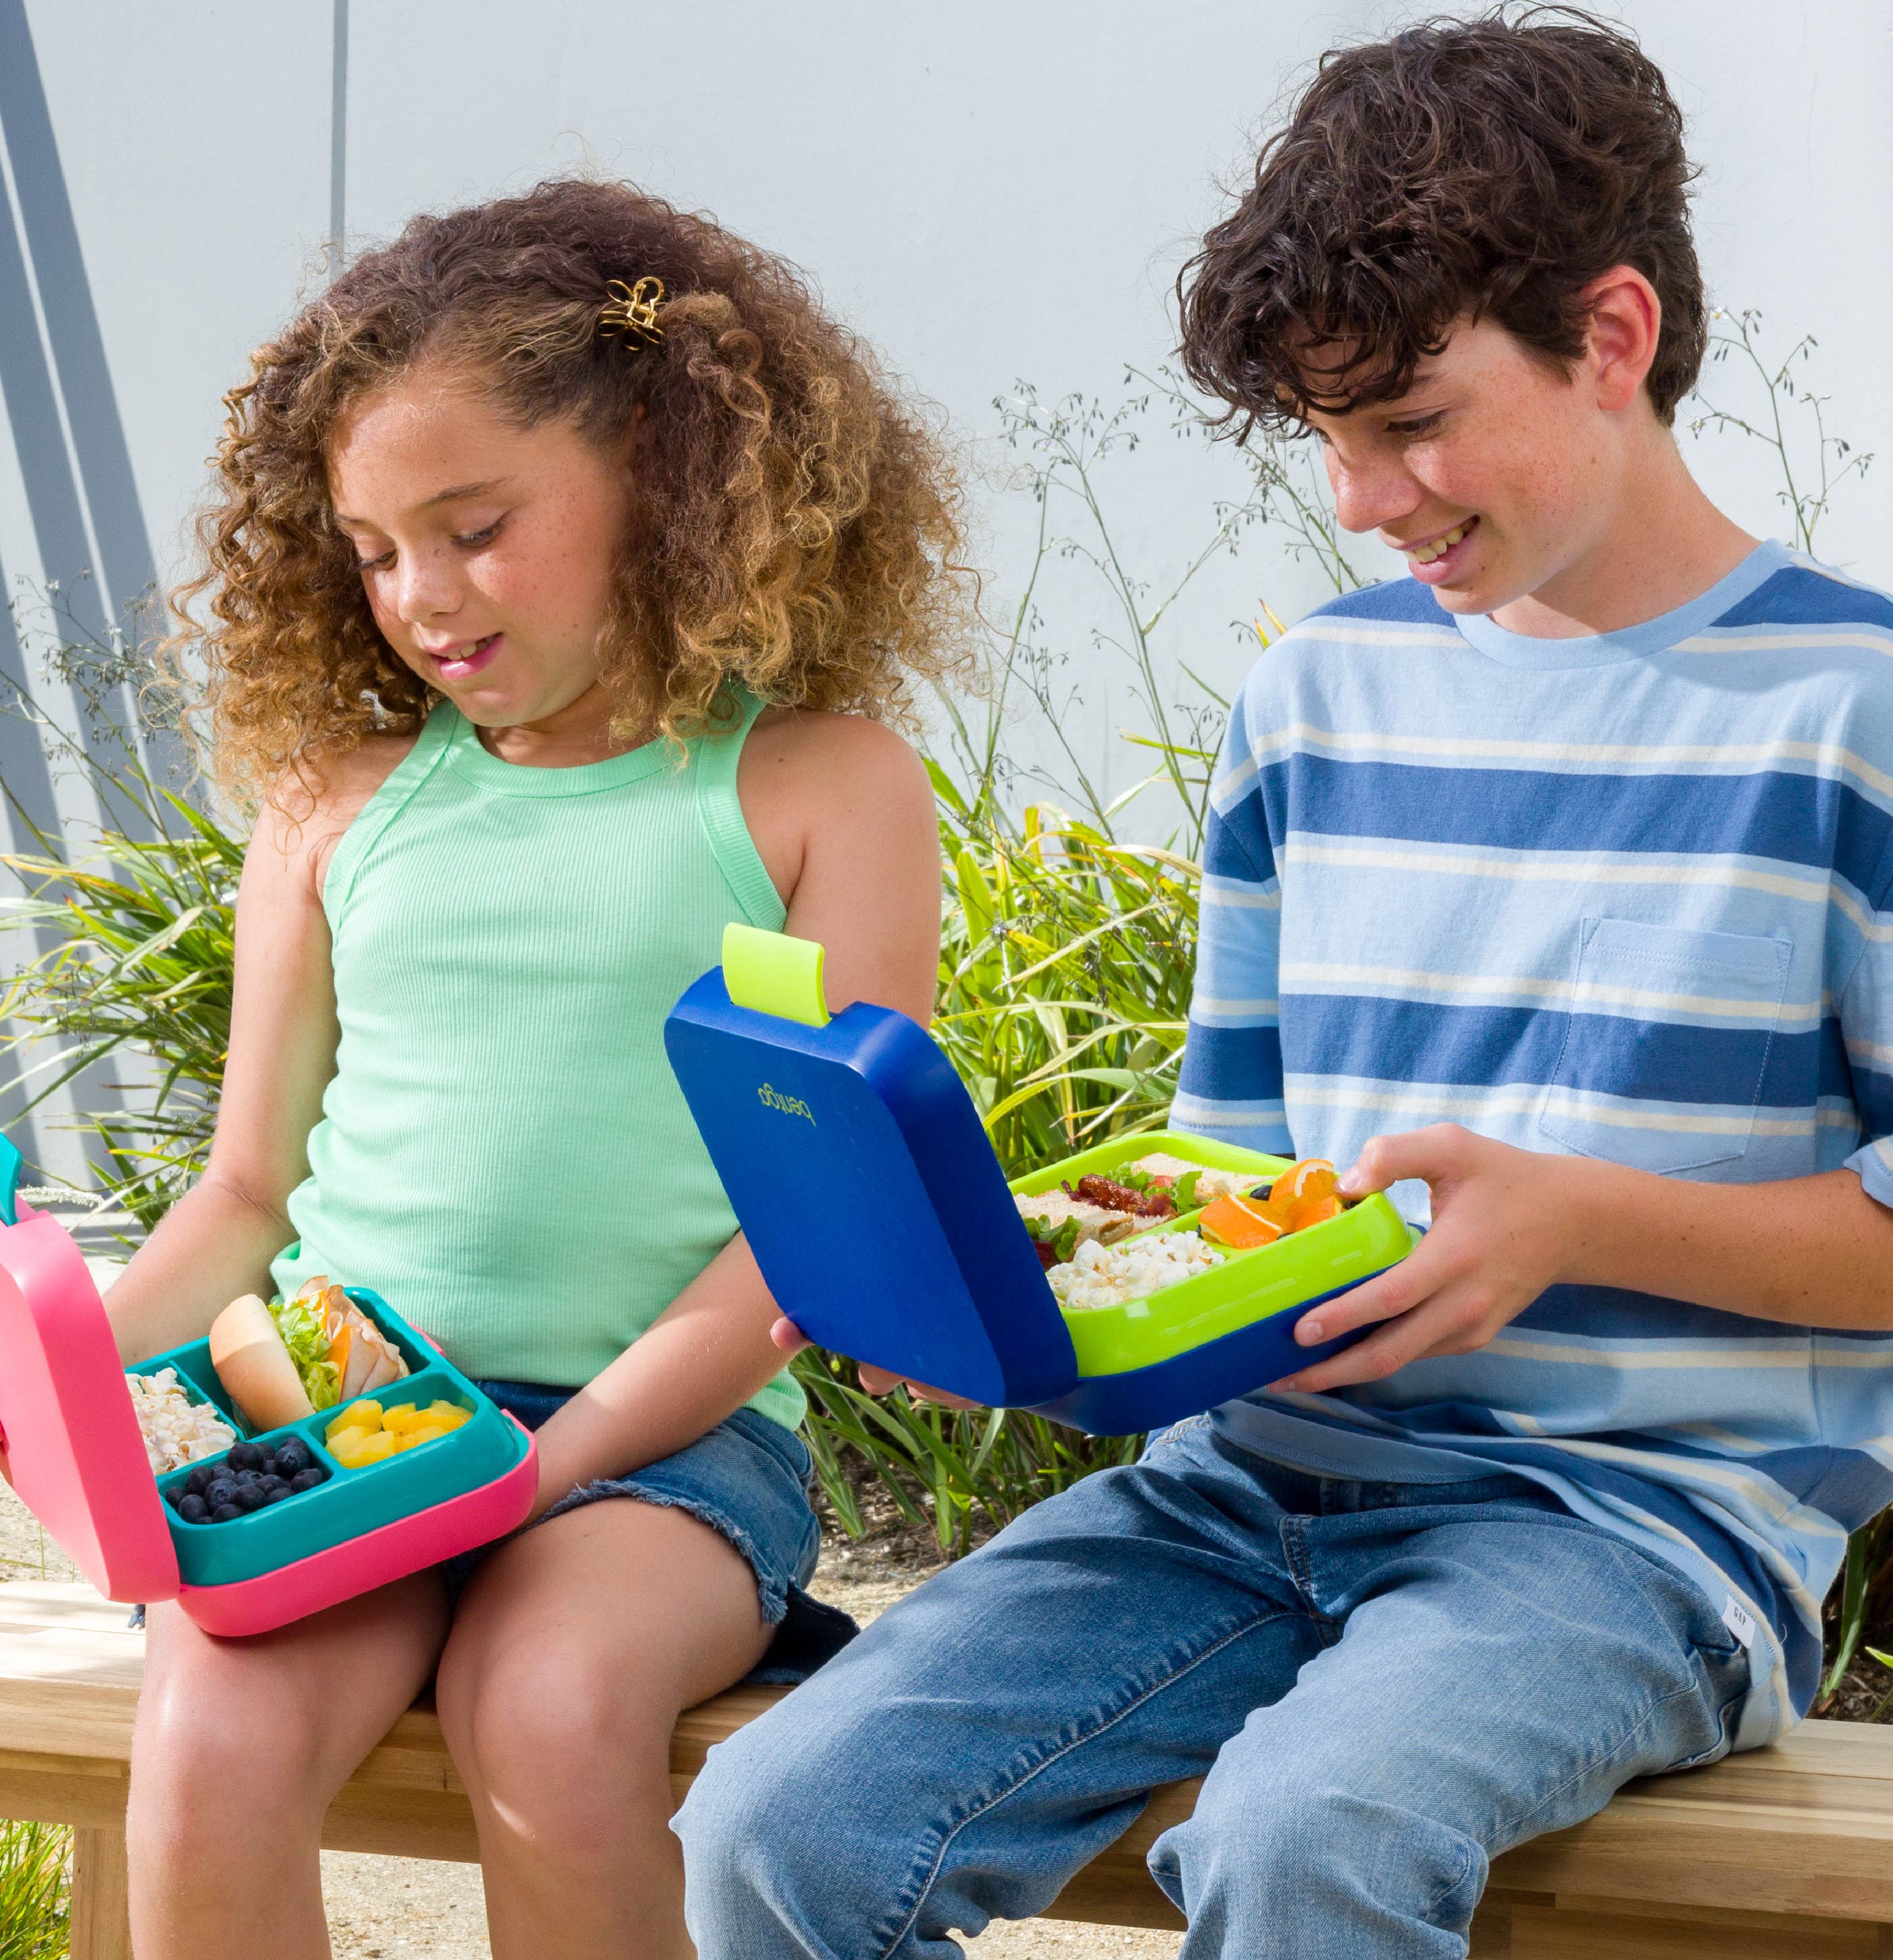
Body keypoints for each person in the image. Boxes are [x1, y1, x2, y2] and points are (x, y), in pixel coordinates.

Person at [674, 13, 1893, 1958]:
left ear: (1614, 337)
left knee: (1309, 1839)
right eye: (1326, 441)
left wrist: (1575, 1223)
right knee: (775, 1823)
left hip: (1630, 1531)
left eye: (1410, 422)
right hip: (1243, 1486)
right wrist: (1018, 1315)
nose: (1361, 498)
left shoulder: (1858, 714)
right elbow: (1237, 1171)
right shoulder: (1313, 699)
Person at [0, 179, 965, 1959]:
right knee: (209, 1739)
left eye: (476, 527)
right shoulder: (338, 806)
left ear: (662, 466)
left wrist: (541, 1467)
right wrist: (70, 1367)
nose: (419, 594)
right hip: (342, 1426)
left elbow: (808, 1238)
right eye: (373, 547)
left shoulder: (817, 788)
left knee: (551, 1716)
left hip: (668, 1452)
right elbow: (247, 1194)